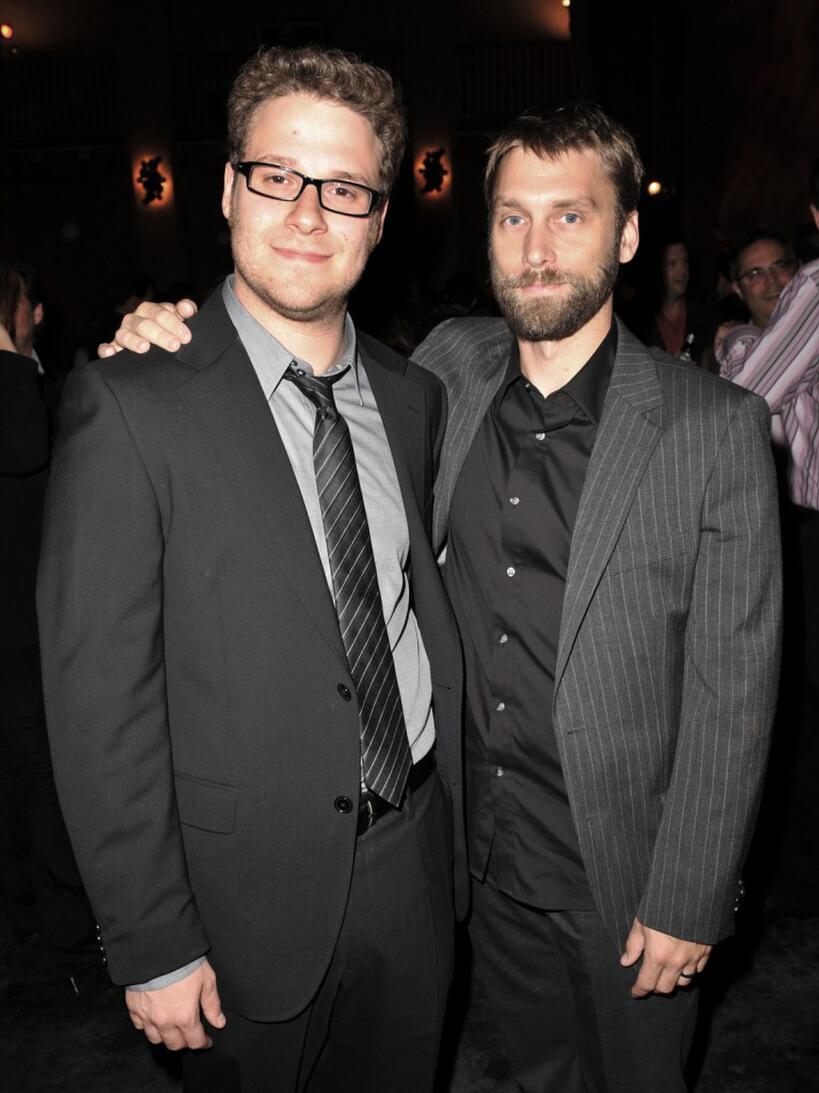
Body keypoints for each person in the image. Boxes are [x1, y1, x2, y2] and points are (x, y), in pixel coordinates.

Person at [107, 103, 782, 1092]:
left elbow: (735, 689)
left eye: (570, 215)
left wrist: (688, 891)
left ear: (627, 234)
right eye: (513, 217)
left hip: (627, 880)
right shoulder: (440, 373)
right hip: (472, 865)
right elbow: (287, 378)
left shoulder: (714, 428)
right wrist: (168, 334)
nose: (537, 247)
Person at [37, 46, 465, 1093]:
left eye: (344, 189)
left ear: (377, 216)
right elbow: (100, 704)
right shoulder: (132, 403)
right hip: (238, 902)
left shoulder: (413, 399)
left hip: (414, 861)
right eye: (276, 175)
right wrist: (151, 938)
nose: (308, 214)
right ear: (228, 187)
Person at [718, 193, 819, 919]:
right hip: (782, 534)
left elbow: (748, 396)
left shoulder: (780, 325)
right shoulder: (743, 346)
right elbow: (747, 402)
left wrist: (734, 348)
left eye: (779, 268)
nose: (773, 283)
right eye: (753, 275)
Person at [0, 264, 100, 995]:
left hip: (44, 618)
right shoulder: (13, 388)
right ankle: (61, 945)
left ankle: (56, 932)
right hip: (14, 633)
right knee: (38, 785)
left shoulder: (50, 379)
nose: (39, 311)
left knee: (45, 782)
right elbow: (25, 447)